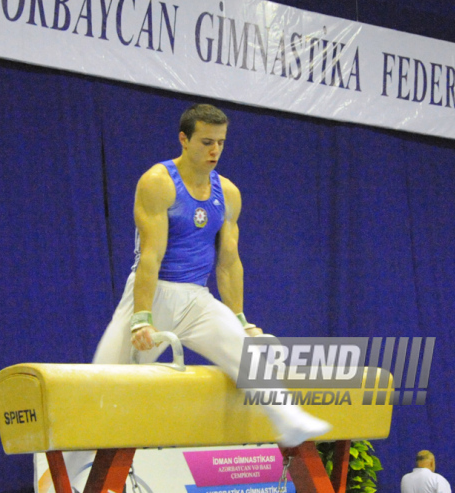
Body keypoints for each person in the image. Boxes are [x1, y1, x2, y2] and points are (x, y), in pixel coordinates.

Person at [93, 103, 330, 447]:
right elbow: (150, 256)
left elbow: (229, 263)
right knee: (101, 389)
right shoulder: (159, 183)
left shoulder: (228, 193)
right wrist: (142, 318)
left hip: (196, 298)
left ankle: (289, 421)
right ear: (184, 140)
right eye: (206, 141)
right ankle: (69, 469)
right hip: (153, 292)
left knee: (243, 351)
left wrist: (241, 319)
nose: (215, 150)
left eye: (220, 141)